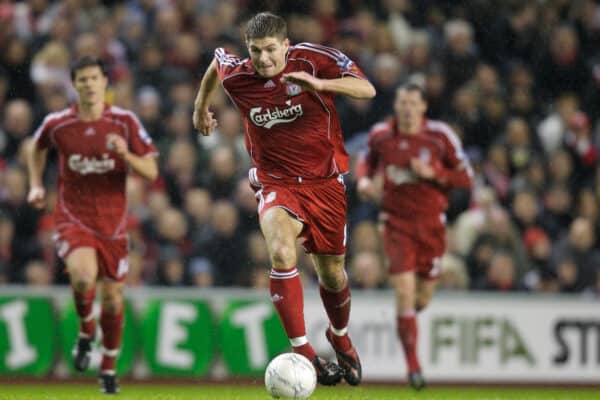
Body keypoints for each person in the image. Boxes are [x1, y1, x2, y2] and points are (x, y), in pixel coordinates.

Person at [193, 12, 376, 386]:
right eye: (255, 51)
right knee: (280, 251)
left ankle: (338, 336)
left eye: (271, 50)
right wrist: (200, 108)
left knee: (332, 274)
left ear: (286, 46)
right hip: (276, 182)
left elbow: (366, 89)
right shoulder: (239, 75)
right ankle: (304, 351)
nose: (263, 59)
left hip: (325, 183)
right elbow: (217, 62)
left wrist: (320, 84)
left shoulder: (313, 59)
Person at [27, 56, 158, 394]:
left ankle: (108, 368)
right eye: (81, 79)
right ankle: (87, 330)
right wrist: (36, 184)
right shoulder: (59, 123)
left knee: (113, 300)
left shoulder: (125, 122)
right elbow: (35, 148)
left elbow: (151, 172)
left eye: (93, 78)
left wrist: (125, 155)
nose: (88, 84)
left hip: (113, 225)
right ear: (75, 84)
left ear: (104, 83)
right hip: (73, 218)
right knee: (84, 278)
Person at [356, 83, 472, 390]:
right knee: (405, 293)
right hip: (395, 223)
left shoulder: (440, 136)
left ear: (423, 107)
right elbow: (365, 161)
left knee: (421, 298)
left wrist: (435, 174)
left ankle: (404, 320)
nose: (407, 108)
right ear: (396, 106)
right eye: (402, 102)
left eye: (412, 103)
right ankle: (414, 369)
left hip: (431, 226)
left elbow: (466, 178)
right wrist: (364, 181)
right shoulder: (381, 135)